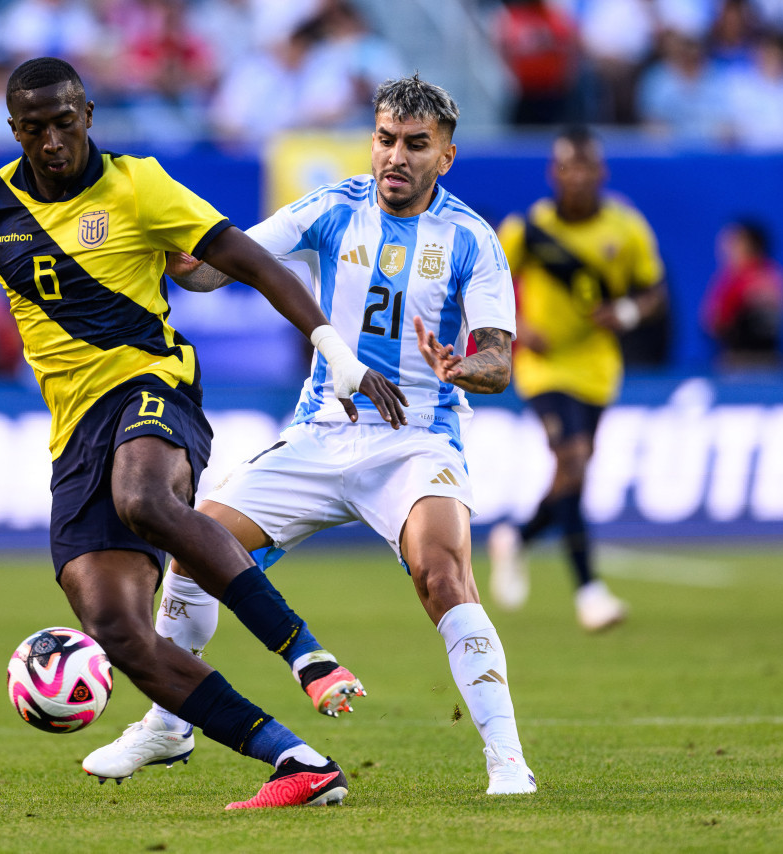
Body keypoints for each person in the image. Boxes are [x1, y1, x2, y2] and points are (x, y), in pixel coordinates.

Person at [0, 57, 410, 810]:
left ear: (89, 117)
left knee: (144, 497)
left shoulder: (138, 183)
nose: (52, 142)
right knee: (117, 629)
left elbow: (247, 258)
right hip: (74, 431)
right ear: (14, 130)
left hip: (154, 384)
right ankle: (299, 762)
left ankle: (303, 651)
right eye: (34, 128)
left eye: (65, 123)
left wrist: (330, 345)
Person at [83, 73, 537, 797]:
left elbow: (498, 360)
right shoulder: (332, 209)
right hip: (323, 430)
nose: (396, 157)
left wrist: (464, 364)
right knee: (196, 544)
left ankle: (508, 762)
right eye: (386, 140)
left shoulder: (471, 240)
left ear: (444, 156)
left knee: (443, 575)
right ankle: (169, 728)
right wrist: (177, 256)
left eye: (416, 145)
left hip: (417, 440)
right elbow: (214, 272)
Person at [488, 126, 666, 632]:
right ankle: (589, 592)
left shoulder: (625, 228)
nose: (578, 178)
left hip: (596, 366)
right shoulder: (530, 230)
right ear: (554, 173)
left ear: (601, 173)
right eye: (568, 168)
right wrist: (519, 328)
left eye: (587, 168)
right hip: (543, 367)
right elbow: (486, 283)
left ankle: (519, 537)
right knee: (573, 457)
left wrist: (627, 313)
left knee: (576, 470)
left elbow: (654, 292)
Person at [701, 218, 783, 369]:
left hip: (737, 364)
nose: (725, 248)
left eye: (733, 242)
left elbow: (714, 323)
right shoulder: (777, 277)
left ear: (750, 246)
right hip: (773, 363)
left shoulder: (737, 282)